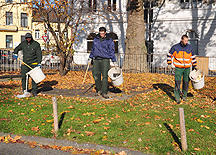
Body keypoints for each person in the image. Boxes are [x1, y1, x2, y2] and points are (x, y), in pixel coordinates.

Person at [88, 27, 117, 99]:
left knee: (104, 76)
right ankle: (99, 89)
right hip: (96, 59)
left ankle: (104, 92)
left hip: (105, 59)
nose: (101, 34)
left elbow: (111, 50)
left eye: (102, 33)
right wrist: (90, 57)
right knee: (95, 75)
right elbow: (93, 48)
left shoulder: (109, 40)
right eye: (100, 33)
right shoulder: (96, 39)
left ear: (105, 33)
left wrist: (113, 60)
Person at [167, 34, 197, 104]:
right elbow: (169, 55)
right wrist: (169, 63)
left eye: (187, 41)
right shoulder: (175, 47)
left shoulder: (189, 48)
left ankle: (184, 96)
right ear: (182, 40)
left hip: (187, 68)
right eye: (185, 41)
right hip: (178, 68)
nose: (187, 42)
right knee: (177, 82)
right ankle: (177, 98)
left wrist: (195, 65)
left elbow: (192, 57)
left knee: (186, 82)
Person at [13, 33, 42, 97]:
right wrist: (15, 53)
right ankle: (25, 90)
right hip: (25, 63)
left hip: (33, 64)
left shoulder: (36, 44)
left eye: (29, 38)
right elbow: (17, 48)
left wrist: (39, 63)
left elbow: (39, 54)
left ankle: (34, 91)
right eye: (27, 38)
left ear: (31, 38)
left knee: (34, 78)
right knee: (24, 77)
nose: (28, 39)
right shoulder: (23, 44)